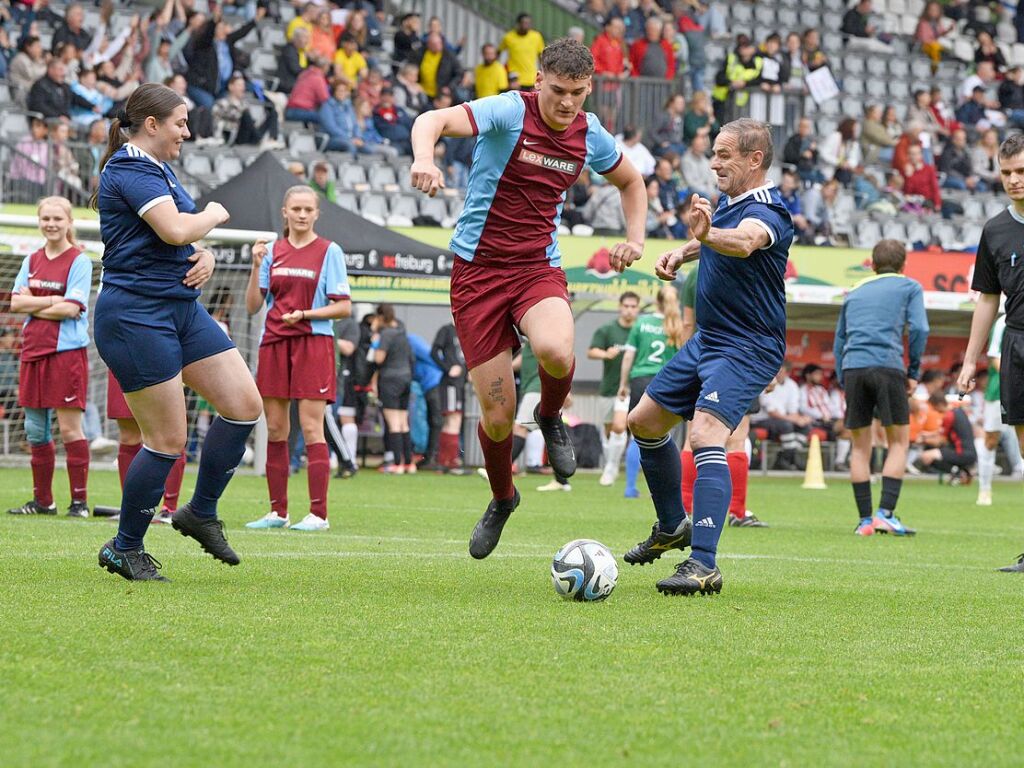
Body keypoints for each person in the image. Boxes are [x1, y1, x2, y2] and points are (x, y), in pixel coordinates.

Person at [409, 38, 645, 559]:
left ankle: (550, 417)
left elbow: (632, 181)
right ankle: (502, 497)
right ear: (539, 80)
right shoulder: (507, 110)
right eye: (558, 91)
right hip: (477, 273)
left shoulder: (588, 133)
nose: (567, 103)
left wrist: (635, 238)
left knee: (558, 351)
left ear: (589, 90)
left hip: (537, 267)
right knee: (496, 416)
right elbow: (431, 119)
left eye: (578, 94)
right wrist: (424, 159)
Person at [93, 83, 262, 581]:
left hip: (181, 309)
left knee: (243, 405)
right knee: (167, 439)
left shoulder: (159, 169)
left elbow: (182, 237)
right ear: (152, 125)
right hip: (135, 316)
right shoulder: (127, 169)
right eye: (180, 124)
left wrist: (204, 254)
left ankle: (200, 512)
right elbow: (176, 228)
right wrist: (212, 215)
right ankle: (125, 548)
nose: (187, 133)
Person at [623, 118, 794, 596]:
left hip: (748, 344)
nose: (714, 163)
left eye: (724, 155)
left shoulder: (771, 210)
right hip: (710, 340)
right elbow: (718, 237)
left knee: (705, 436)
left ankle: (703, 564)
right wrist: (683, 251)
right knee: (644, 423)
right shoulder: (732, 203)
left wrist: (707, 235)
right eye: (714, 154)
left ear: (755, 160)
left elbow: (741, 242)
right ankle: (673, 524)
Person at [245, 187, 351, 531]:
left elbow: (343, 306)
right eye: (296, 209)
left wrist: (306, 314)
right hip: (274, 342)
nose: (302, 214)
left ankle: (319, 515)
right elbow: (252, 306)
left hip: (313, 343)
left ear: (317, 214)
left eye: (308, 209)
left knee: (310, 426)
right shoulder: (272, 251)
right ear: (285, 212)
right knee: (275, 428)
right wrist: (256, 265)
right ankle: (278, 512)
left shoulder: (329, 251)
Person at [956, 133, 1024, 572]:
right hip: (1017, 341)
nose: (1014, 180)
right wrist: (968, 361)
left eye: (1021, 172)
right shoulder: (995, 230)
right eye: (1006, 173)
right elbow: (986, 299)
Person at [833, 239, 927, 537]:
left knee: (860, 447)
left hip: (854, 369)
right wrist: (912, 372)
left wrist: (842, 376)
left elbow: (839, 340)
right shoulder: (909, 286)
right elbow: (920, 329)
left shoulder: (855, 291)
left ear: (872, 264)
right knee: (898, 442)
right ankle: (885, 514)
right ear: (904, 265)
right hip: (888, 366)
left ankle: (864, 521)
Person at [6, 197, 93, 519]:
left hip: (65, 353)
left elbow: (72, 308)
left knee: (70, 429)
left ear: (69, 222)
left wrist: (38, 301)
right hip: (32, 351)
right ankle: (43, 501)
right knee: (34, 429)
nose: (51, 224)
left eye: (57, 218)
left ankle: (79, 503)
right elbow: (15, 304)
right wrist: (56, 299)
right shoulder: (31, 260)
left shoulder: (79, 261)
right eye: (45, 218)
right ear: (39, 221)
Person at [678, 260, 769, 527]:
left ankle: (685, 509)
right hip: (743, 358)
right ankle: (737, 513)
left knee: (690, 439)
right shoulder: (754, 265)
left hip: (703, 358)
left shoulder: (696, 271)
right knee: (737, 439)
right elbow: (765, 320)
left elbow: (687, 323)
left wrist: (688, 364)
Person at [617, 285, 683, 498]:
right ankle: (666, 489)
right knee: (665, 436)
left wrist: (623, 384)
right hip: (666, 381)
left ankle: (629, 487)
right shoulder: (677, 327)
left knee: (637, 436)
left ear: (656, 302)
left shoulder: (642, 323)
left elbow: (628, 357)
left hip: (640, 379)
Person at [589, 291, 640, 486]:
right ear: (620, 307)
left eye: (633, 306)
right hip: (608, 387)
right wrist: (605, 353)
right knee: (610, 429)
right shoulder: (607, 329)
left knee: (621, 427)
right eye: (626, 306)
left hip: (630, 388)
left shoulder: (640, 329)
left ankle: (612, 468)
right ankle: (611, 464)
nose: (629, 310)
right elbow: (591, 351)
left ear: (637, 309)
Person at [975, 314, 1024, 505]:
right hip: (1000, 390)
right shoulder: (1004, 321)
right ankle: (984, 489)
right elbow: (995, 355)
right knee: (991, 439)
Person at [372, 304, 416, 474]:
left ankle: (397, 464)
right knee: (404, 422)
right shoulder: (402, 333)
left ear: (381, 317)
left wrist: (375, 340)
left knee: (393, 424)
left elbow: (378, 359)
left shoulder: (385, 334)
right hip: (406, 378)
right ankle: (409, 464)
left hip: (390, 379)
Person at [431, 320, 467, 472]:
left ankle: (446, 460)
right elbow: (434, 352)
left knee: (455, 420)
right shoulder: (446, 330)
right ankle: (449, 461)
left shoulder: (467, 330)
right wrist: (448, 368)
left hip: (460, 383)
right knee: (453, 419)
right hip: (450, 383)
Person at [333, 311, 362, 477]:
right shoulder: (321, 319)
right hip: (315, 380)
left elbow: (349, 348)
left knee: (329, 421)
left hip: (337, 382)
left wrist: (327, 337)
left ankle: (347, 461)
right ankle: (345, 461)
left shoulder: (349, 324)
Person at [499, 13, 545, 89]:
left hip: (531, 79)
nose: (526, 25)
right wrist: (503, 73)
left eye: (528, 23)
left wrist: (542, 74)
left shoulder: (536, 37)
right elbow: (498, 52)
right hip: (514, 79)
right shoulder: (509, 37)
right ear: (518, 24)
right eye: (524, 23)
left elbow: (541, 56)